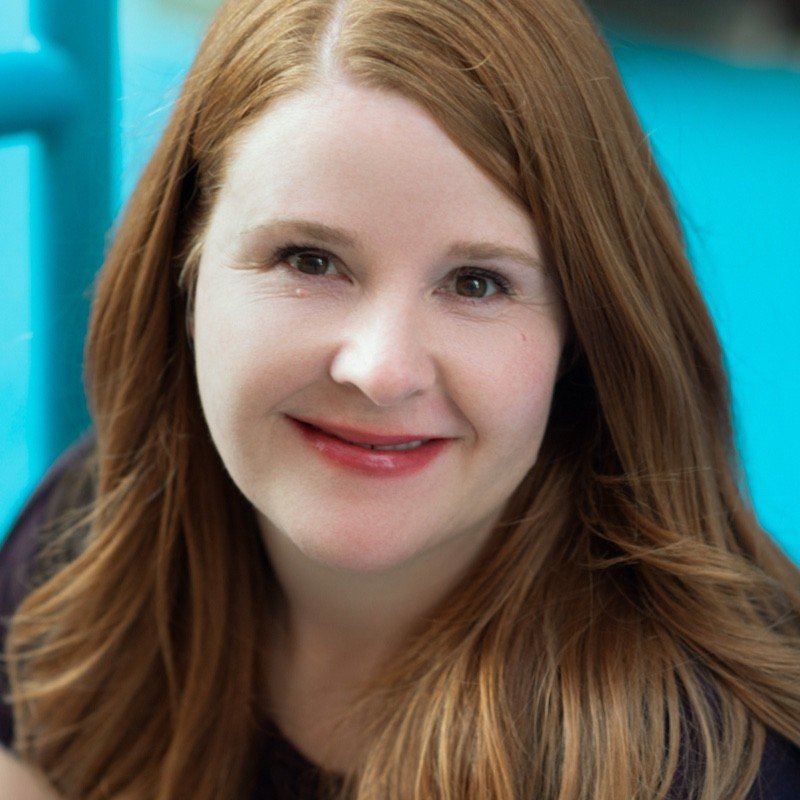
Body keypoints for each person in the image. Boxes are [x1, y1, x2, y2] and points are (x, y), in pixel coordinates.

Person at [2, 0, 799, 797]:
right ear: (185, 266)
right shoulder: (87, 540)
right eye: (309, 260)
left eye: (478, 283)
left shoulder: (696, 762)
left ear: (582, 336)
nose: (380, 370)